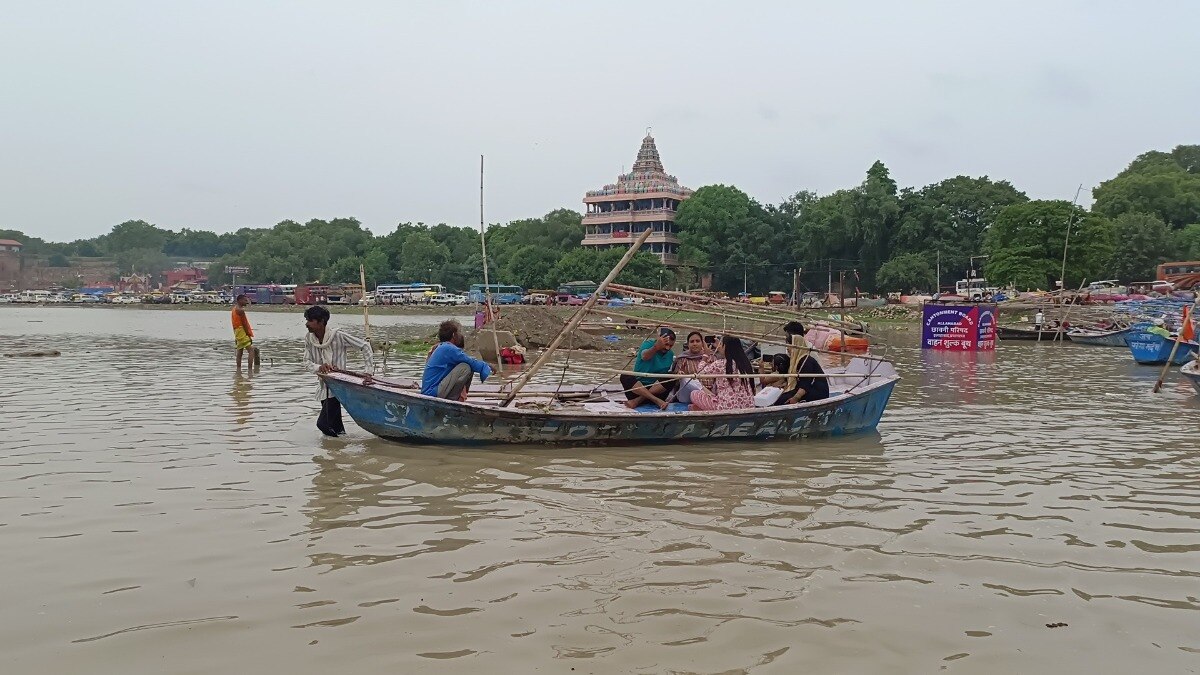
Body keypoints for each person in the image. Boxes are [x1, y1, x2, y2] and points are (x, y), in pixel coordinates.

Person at [303, 305, 375, 436]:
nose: (307, 324)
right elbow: (306, 362)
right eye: (307, 320)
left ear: (321, 322)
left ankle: (337, 447)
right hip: (323, 386)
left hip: (339, 387)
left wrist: (368, 372)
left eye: (310, 320)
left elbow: (365, 346)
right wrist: (319, 367)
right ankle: (339, 449)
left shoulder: (338, 336)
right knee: (335, 426)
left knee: (322, 424)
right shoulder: (309, 339)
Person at [421, 320, 493, 400]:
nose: (460, 335)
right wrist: (487, 366)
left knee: (467, 366)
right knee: (465, 367)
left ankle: (459, 397)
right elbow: (470, 361)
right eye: (458, 333)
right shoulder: (448, 348)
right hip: (431, 393)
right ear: (453, 335)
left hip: (431, 390)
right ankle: (455, 399)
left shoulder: (442, 347)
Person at [689, 335, 756, 411]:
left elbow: (699, 373)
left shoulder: (720, 364)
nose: (719, 347)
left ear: (725, 347)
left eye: (721, 344)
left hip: (725, 407)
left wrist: (705, 355)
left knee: (694, 394)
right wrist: (720, 346)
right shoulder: (746, 363)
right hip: (748, 405)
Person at [770, 321, 830, 406]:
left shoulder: (806, 360)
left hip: (815, 391)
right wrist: (785, 385)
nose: (787, 348)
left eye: (789, 345)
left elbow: (805, 384)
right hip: (805, 387)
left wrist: (795, 398)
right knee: (780, 397)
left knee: (782, 400)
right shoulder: (797, 358)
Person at [620, 328, 677, 409]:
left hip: (657, 392)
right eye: (666, 344)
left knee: (672, 377)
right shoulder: (648, 344)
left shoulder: (670, 354)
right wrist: (656, 347)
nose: (667, 348)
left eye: (670, 346)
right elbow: (645, 356)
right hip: (637, 390)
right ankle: (653, 400)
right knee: (625, 375)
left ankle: (638, 401)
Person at [672, 331, 713, 404]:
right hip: (688, 395)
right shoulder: (682, 358)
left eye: (697, 341)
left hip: (711, 390)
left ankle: (710, 395)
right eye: (692, 342)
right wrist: (679, 374)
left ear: (702, 343)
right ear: (688, 344)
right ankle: (711, 397)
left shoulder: (711, 357)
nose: (695, 344)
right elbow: (676, 379)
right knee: (685, 378)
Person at [231, 294, 259, 371]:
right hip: (242, 331)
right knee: (251, 350)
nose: (246, 302)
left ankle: (238, 370)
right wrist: (248, 335)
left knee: (240, 351)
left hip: (237, 331)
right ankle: (250, 370)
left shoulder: (234, 309)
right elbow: (245, 324)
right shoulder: (240, 310)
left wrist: (235, 336)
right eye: (245, 300)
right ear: (239, 300)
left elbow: (234, 324)